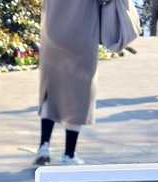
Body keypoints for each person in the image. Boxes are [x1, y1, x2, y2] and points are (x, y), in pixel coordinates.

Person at [35, 0, 138, 165]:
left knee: (51, 88)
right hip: (82, 33)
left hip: (53, 32)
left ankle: (44, 146)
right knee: (79, 93)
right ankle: (69, 154)